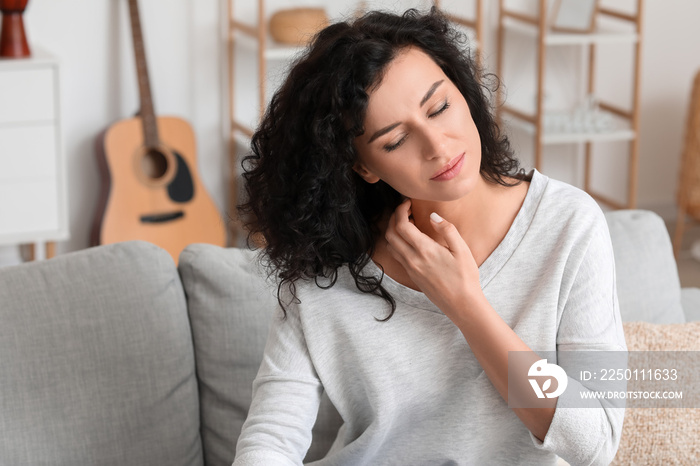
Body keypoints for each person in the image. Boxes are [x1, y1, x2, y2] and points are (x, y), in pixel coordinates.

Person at [234, 7, 626, 466]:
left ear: (463, 89)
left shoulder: (567, 225)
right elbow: (270, 440)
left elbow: (594, 442)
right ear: (362, 167)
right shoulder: (329, 262)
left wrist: (466, 306)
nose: (438, 147)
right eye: (395, 140)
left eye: (439, 107)